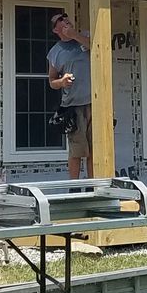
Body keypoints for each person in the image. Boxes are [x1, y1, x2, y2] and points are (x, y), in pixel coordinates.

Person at [47, 11, 93, 180]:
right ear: (55, 30)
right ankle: (74, 188)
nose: (64, 19)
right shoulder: (55, 52)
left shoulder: (85, 36)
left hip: (94, 102)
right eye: (60, 19)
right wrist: (62, 82)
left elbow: (97, 48)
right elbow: (52, 81)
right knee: (77, 151)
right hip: (73, 106)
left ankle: (95, 186)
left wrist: (74, 35)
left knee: (95, 150)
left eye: (65, 17)